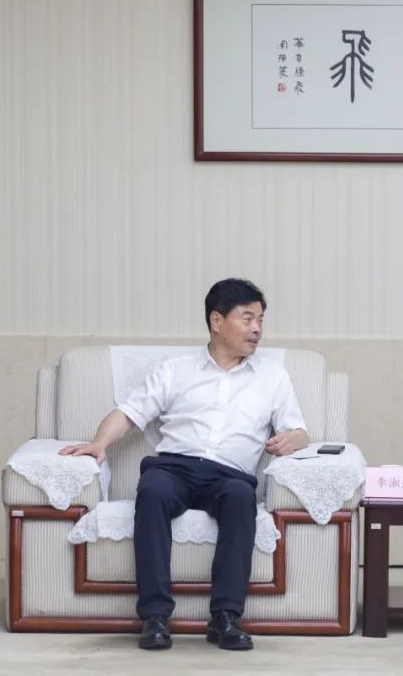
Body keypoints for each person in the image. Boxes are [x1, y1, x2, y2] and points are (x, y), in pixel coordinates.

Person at [60, 278, 308, 650]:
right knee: (152, 492)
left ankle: (225, 618)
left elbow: (299, 431)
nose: (257, 328)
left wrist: (293, 440)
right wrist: (98, 444)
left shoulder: (272, 376)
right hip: (174, 468)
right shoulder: (176, 370)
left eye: (260, 320)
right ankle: (155, 617)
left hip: (230, 476)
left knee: (241, 499)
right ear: (217, 321)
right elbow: (129, 413)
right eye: (247, 318)